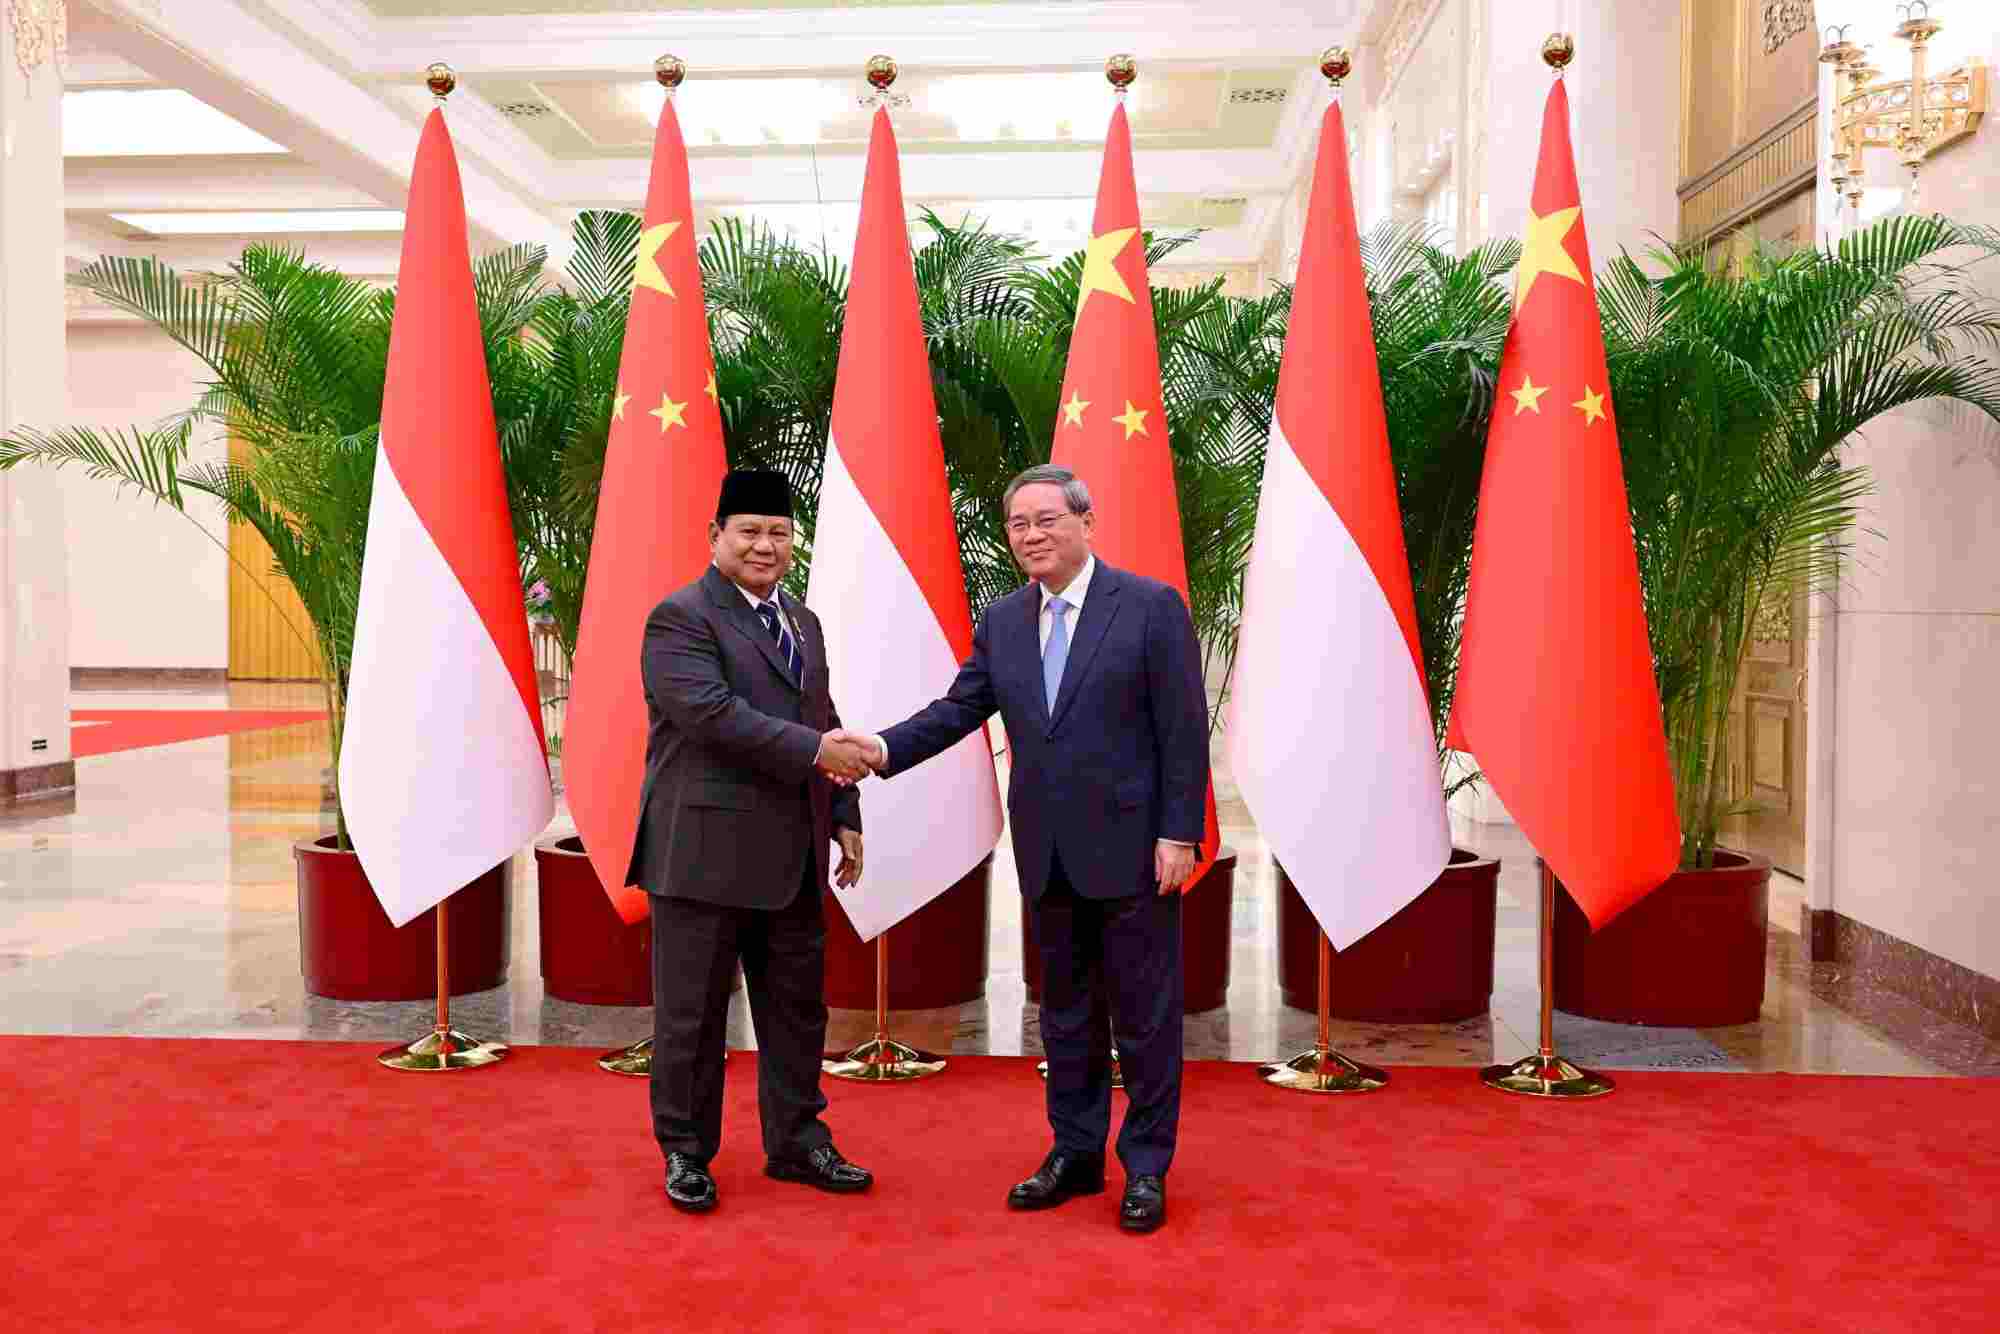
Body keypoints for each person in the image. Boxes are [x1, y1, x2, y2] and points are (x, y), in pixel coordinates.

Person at [841, 463, 1209, 1234]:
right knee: (1066, 1017)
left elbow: (1182, 731)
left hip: (1139, 854)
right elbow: (958, 708)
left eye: (1046, 520)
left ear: (1086, 521)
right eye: (1018, 524)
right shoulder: (1004, 620)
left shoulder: (1148, 608)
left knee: (1144, 1019)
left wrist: (1181, 833)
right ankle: (1074, 1155)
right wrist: (879, 747)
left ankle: (1145, 1168)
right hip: (1047, 855)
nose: (1032, 536)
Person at [625, 468, 882, 1214]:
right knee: (692, 1017)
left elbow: (821, 712)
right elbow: (712, 715)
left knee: (798, 1012)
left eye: (778, 532)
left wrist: (845, 812)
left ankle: (798, 1141)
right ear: (716, 538)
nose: (765, 546)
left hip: (794, 852)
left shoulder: (802, 621)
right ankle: (685, 1153)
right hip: (701, 855)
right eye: (749, 532)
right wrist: (817, 754)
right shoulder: (680, 619)